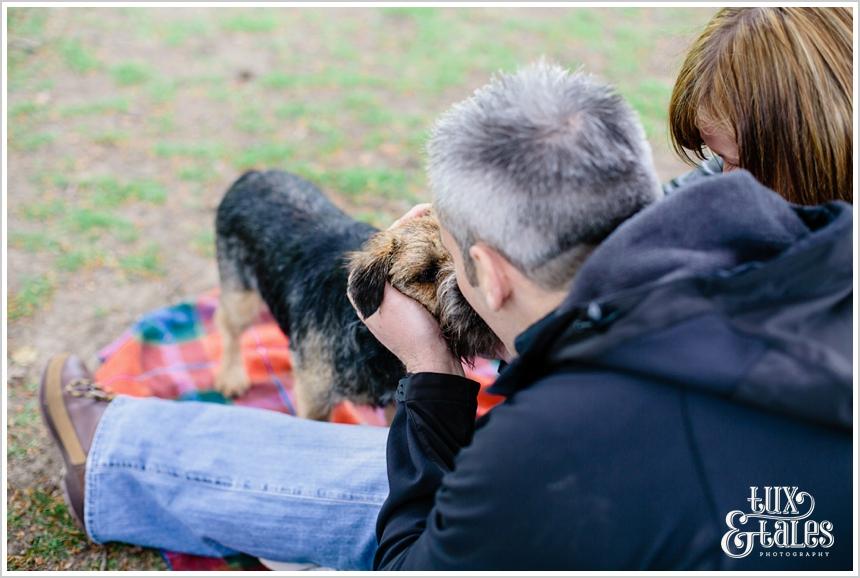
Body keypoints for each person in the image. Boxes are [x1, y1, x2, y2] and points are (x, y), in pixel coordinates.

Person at [38, 7, 852, 570]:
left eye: (723, 163)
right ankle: (125, 454)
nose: (710, 185)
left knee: (402, 480)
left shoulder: (552, 445)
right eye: (703, 165)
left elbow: (421, 560)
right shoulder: (820, 249)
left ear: (489, 274)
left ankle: (122, 456)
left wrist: (431, 373)